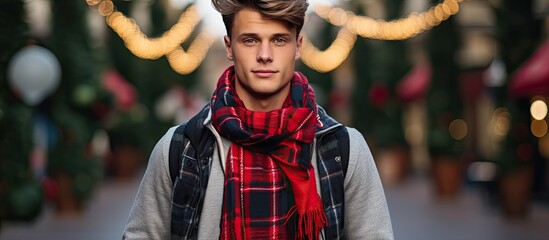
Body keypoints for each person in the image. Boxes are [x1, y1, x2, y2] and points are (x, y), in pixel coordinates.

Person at [123, 0, 393, 239]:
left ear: (298, 46)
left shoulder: (343, 148)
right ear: (229, 47)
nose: (265, 55)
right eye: (250, 40)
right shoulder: (181, 148)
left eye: (279, 40)